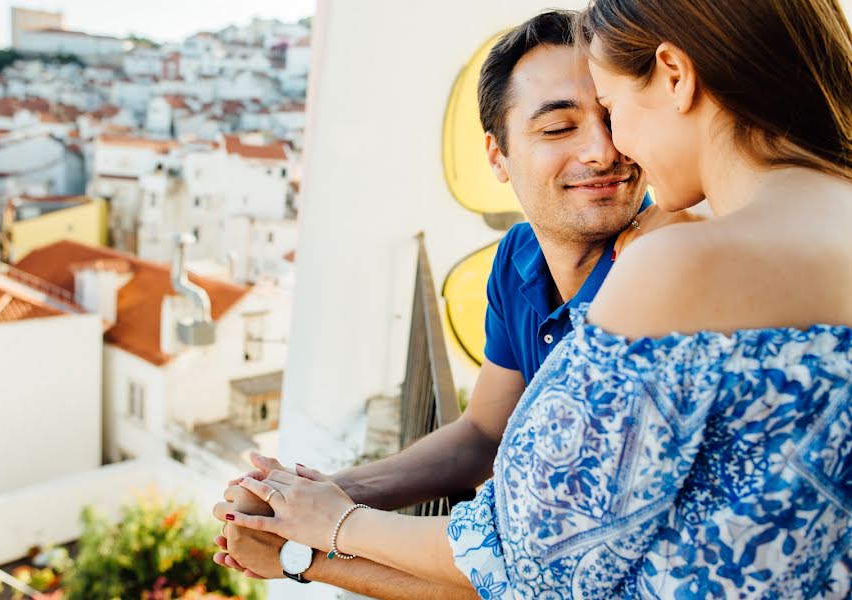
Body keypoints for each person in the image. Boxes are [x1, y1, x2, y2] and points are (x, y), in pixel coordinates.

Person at [216, 0, 852, 597]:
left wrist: (326, 533)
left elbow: (531, 558)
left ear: (673, 76)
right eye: (559, 126)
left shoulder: (682, 265)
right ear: (500, 154)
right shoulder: (536, 257)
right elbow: (489, 440)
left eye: (611, 106)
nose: (610, 147)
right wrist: (318, 494)